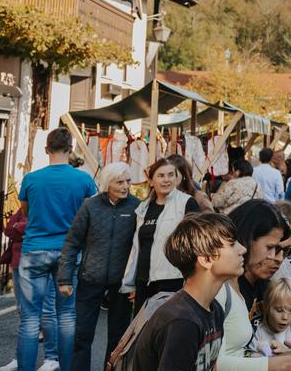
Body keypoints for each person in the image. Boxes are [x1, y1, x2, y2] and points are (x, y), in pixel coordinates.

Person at [215, 201, 291, 369]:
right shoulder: (221, 289)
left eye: (285, 252)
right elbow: (214, 362)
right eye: (271, 248)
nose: (278, 259)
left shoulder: (264, 286)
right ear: (246, 240)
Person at [16, 127, 97, 371]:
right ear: (71, 150)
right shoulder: (83, 179)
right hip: (68, 252)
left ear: (46, 149)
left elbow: (26, 212)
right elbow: (89, 215)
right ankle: (65, 366)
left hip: (34, 250)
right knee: (67, 315)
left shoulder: (31, 179)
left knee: (30, 318)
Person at [126, 212, 244, 371]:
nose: (242, 249)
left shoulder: (215, 309)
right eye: (232, 244)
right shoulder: (182, 322)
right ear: (206, 259)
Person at [58, 161, 139, 371]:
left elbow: (140, 247)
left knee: (118, 338)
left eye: (127, 181)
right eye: (119, 182)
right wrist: (65, 278)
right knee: (82, 334)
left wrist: (135, 281)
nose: (125, 186)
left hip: (121, 283)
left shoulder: (136, 206)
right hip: (90, 278)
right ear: (107, 183)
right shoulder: (90, 206)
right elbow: (72, 241)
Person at [123, 158, 201, 307]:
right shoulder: (144, 207)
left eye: (171, 175)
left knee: (169, 328)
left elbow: (197, 243)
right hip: (144, 281)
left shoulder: (187, 203)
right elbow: (138, 247)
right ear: (151, 181)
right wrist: (132, 282)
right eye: (161, 175)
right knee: (143, 327)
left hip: (174, 280)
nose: (166, 180)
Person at [0, 207, 60, 371]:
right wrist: (21, 227)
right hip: (18, 262)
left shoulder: (47, 204)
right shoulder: (25, 206)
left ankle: (52, 358)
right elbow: (8, 228)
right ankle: (20, 358)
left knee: (47, 310)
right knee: (23, 312)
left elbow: (39, 226)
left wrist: (19, 228)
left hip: (40, 262)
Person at [252, 278, 291, 356]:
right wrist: (264, 347)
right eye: (279, 310)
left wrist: (286, 352)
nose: (285, 317)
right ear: (266, 306)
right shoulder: (257, 328)